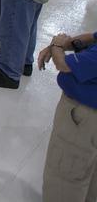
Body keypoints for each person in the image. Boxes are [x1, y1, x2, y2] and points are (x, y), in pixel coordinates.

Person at [37, 27, 97, 200]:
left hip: (84, 117)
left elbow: (63, 65)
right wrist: (64, 44)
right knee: (90, 170)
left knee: (66, 173)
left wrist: (56, 46)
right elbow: (92, 38)